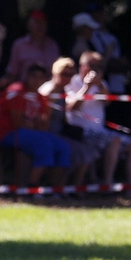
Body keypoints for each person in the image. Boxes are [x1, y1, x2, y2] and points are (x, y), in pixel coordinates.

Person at [66, 51, 131, 190]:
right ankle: (107, 184)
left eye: (99, 66)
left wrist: (99, 85)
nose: (95, 70)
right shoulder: (72, 82)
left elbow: (107, 102)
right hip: (80, 131)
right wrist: (86, 87)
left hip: (100, 131)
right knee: (114, 141)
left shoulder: (102, 84)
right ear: (82, 66)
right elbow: (72, 107)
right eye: (91, 65)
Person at [0, 63, 71, 189]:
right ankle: (32, 187)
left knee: (63, 147)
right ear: (27, 76)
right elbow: (17, 122)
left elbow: (43, 124)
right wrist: (33, 124)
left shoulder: (40, 97)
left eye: (40, 77)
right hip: (8, 132)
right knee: (44, 144)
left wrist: (34, 123)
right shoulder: (17, 91)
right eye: (33, 76)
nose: (36, 80)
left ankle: (54, 187)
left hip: (31, 133)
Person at [37, 57, 98, 188]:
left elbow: (64, 119)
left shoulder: (62, 91)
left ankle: (72, 187)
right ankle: (54, 185)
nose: (67, 77)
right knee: (65, 149)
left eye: (70, 74)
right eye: (64, 74)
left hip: (59, 133)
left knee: (86, 151)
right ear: (55, 73)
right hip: (46, 133)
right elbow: (43, 119)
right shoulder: (50, 91)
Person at [3, 9, 60, 85]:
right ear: (28, 25)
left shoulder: (53, 46)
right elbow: (12, 73)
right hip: (25, 91)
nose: (40, 26)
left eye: (43, 22)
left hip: (47, 91)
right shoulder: (19, 45)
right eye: (36, 22)